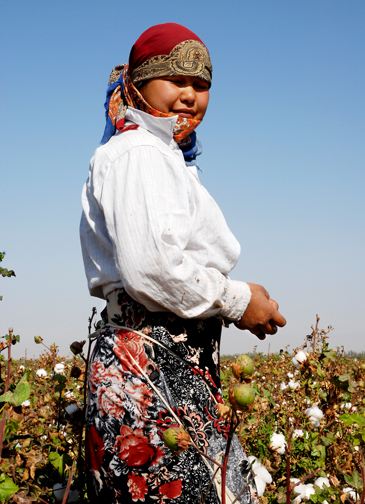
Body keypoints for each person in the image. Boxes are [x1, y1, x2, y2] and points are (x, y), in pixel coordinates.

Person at [80, 23, 286, 504]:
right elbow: (152, 270)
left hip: (168, 368)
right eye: (176, 80)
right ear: (138, 83)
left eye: (201, 85)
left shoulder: (162, 157)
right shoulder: (139, 154)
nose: (190, 95)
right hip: (149, 368)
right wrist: (237, 301)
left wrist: (240, 300)